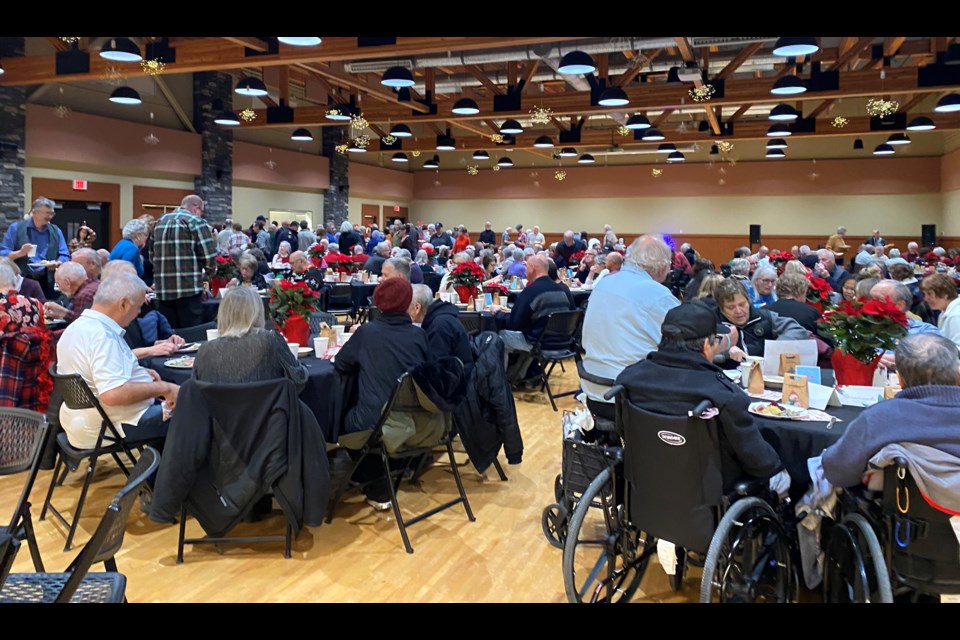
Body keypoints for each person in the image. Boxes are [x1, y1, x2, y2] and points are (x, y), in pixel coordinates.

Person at [616, 301, 788, 494]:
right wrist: (776, 467)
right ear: (707, 345)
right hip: (708, 490)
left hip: (647, 482)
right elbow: (755, 457)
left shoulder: (629, 378)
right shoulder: (720, 393)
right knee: (780, 477)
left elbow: (623, 429)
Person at [334, 278, 430, 509]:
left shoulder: (368, 333)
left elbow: (341, 363)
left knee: (341, 418)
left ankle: (373, 481)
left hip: (377, 420)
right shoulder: (419, 336)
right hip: (417, 419)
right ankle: (378, 477)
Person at [821, 333, 960, 489]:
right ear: (958, 374)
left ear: (899, 380)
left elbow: (837, 472)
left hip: (903, 509)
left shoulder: (881, 417)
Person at [57, 273, 179, 450]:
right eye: (137, 307)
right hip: (112, 427)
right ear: (123, 304)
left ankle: (158, 472)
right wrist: (165, 388)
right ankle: (166, 476)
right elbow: (113, 394)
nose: (138, 313)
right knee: (194, 412)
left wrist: (135, 374)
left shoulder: (76, 328)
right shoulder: (102, 336)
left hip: (83, 421)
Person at [580, 234, 680, 419]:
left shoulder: (604, 284)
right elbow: (686, 342)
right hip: (632, 397)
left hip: (593, 388)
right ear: (661, 266)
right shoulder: (657, 295)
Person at [194, 285, 306, 391]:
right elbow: (299, 379)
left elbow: (196, 392)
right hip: (270, 409)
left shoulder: (204, 351)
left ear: (223, 314)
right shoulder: (271, 340)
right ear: (257, 312)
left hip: (218, 410)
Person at [492, 253, 575, 383]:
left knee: (499, 336)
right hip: (563, 343)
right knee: (531, 335)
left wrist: (498, 313)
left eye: (526, 267)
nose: (525, 271)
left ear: (532, 269)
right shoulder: (561, 290)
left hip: (540, 344)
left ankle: (499, 383)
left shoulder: (532, 291)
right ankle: (517, 376)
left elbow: (515, 323)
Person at [153, 194, 218, 329]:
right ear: (196, 208)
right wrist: (206, 277)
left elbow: (151, 255)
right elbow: (210, 257)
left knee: (169, 336)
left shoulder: (158, 222)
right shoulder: (196, 222)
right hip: (189, 290)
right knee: (191, 335)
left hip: (163, 291)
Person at [713, 278, 808, 367]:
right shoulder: (711, 323)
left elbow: (797, 330)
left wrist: (777, 347)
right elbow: (700, 351)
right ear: (721, 309)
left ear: (749, 301)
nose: (738, 311)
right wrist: (724, 351)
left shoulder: (765, 317)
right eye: (731, 307)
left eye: (742, 304)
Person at [0, 196, 71, 299]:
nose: (50, 216)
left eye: (52, 213)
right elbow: (3, 254)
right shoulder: (16, 228)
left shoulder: (56, 231)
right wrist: (19, 253)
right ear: (34, 212)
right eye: (47, 213)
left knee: (46, 309)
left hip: (47, 280)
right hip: (21, 280)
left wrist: (58, 262)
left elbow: (64, 254)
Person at [408, 283, 472, 368]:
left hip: (459, 378)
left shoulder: (439, 327)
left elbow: (437, 369)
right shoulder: (441, 317)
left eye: (407, 306)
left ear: (417, 308)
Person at [920, 273, 960, 352]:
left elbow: (957, 349)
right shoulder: (945, 311)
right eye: (925, 294)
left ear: (945, 294)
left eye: (929, 294)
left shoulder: (956, 315)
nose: (926, 299)